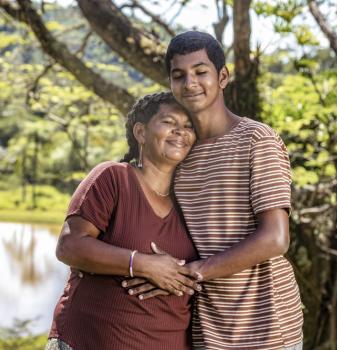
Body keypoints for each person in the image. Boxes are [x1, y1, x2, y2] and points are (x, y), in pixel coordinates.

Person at [124, 31, 304, 350]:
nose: (190, 83)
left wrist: (191, 272)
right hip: (208, 326)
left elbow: (276, 238)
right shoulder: (180, 152)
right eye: (179, 75)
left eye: (200, 71)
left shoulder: (256, 140)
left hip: (266, 326)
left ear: (222, 77)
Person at [45, 92, 202, 350]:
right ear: (140, 132)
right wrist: (141, 264)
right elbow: (69, 245)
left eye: (188, 126)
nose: (180, 131)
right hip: (89, 339)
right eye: (169, 122)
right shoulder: (113, 177)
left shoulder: (191, 203)